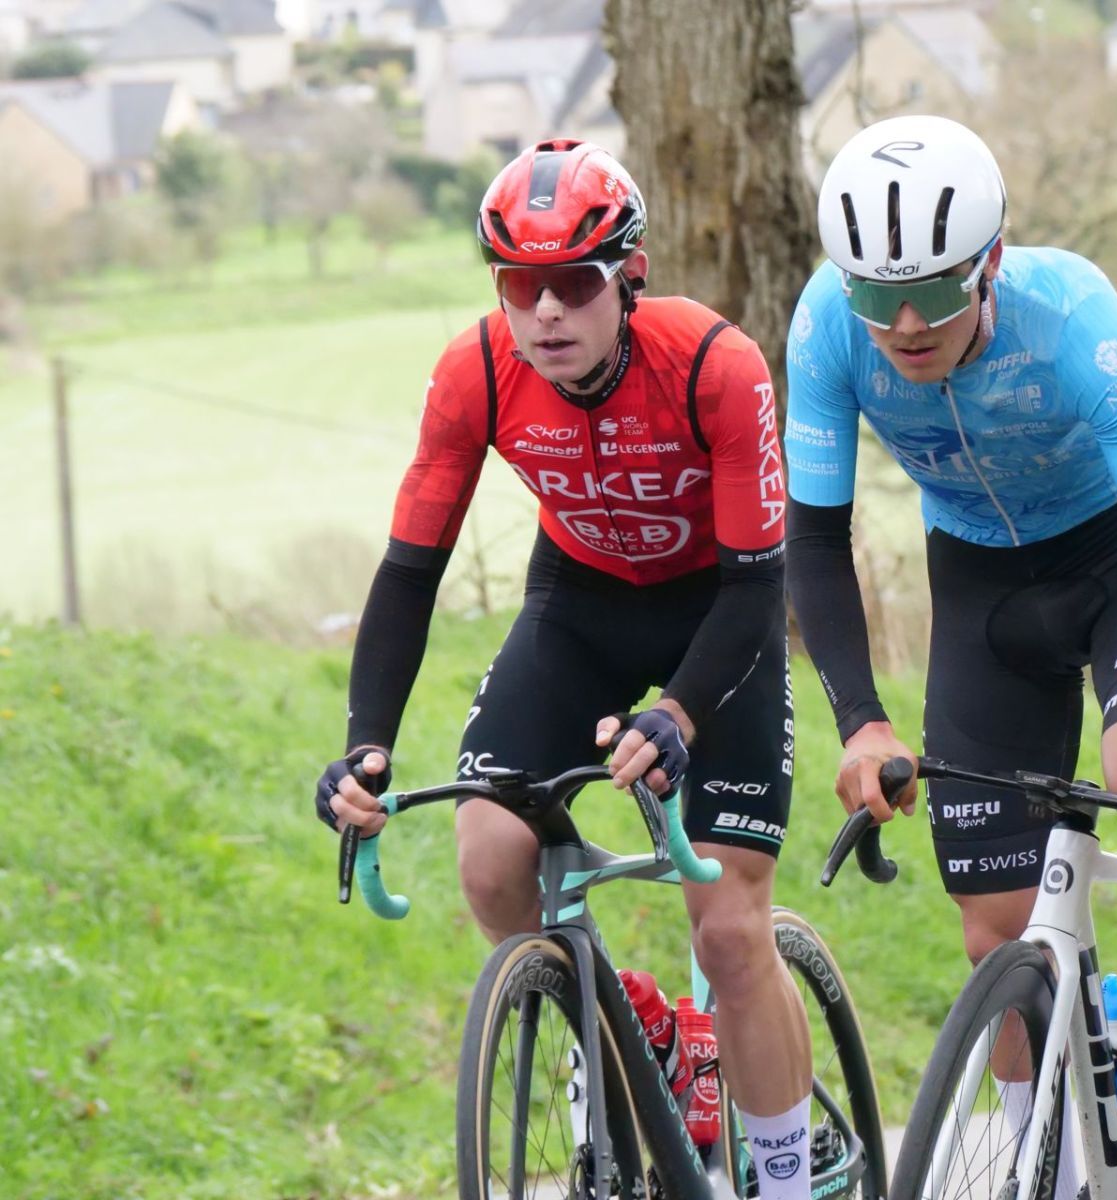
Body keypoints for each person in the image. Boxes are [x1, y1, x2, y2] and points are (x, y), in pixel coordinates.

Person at [313, 139, 814, 1196]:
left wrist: (680, 713)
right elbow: (409, 574)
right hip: (579, 607)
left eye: (574, 284)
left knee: (730, 931)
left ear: (630, 278)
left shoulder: (716, 366)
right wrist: (366, 749)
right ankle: (634, 1026)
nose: (545, 312)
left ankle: (778, 1177)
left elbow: (757, 589)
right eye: (518, 285)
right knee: (491, 860)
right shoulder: (475, 373)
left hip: (718, 616)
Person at [784, 115, 1117, 1198]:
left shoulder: (1075, 318)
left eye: (934, 290)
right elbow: (811, 543)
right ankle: (1050, 1165)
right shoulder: (824, 326)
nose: (906, 325)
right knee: (996, 931)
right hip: (982, 590)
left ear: (990, 260)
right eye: (878, 297)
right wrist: (861, 721)